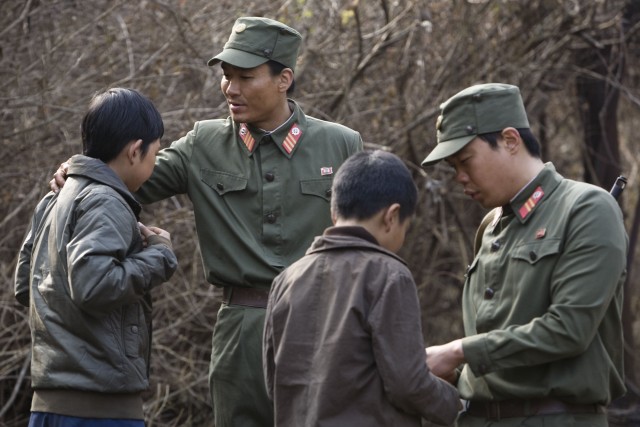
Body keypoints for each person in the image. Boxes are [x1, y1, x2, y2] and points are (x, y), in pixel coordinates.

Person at [50, 16, 363, 427]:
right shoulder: (204, 144)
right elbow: (126, 179)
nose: (230, 89)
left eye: (245, 77)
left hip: (325, 325)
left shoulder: (341, 144)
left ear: (284, 78)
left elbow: (368, 246)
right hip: (241, 329)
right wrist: (82, 174)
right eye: (226, 76)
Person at [421, 83, 627, 427]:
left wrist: (459, 351)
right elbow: (496, 337)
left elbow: (568, 329)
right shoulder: (490, 225)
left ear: (510, 140)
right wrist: (451, 370)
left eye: (465, 161)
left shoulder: (586, 208)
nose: (459, 177)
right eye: (453, 167)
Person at [15, 88, 178, 426]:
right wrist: (159, 255)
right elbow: (95, 285)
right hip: (100, 409)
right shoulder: (106, 200)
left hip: (48, 406)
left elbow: (24, 285)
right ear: (135, 151)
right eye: (155, 154)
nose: (154, 163)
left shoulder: (54, 199)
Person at [263, 150, 461, 427]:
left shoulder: (286, 280)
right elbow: (408, 383)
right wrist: (462, 408)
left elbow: (274, 382)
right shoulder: (389, 275)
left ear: (334, 213)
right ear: (392, 216)